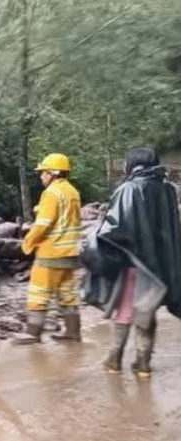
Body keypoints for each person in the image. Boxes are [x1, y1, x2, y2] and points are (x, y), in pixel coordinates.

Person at [82, 147, 181, 378]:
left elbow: (115, 229)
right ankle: (143, 364)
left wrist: (94, 248)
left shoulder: (128, 189)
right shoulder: (168, 189)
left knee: (126, 310)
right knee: (147, 310)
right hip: (160, 264)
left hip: (133, 263)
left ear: (132, 165)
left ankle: (115, 360)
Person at [14, 153, 83, 344]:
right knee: (68, 294)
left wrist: (27, 242)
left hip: (51, 252)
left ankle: (32, 333)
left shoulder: (52, 193)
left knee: (38, 292)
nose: (41, 176)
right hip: (70, 253)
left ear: (53, 173)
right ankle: (73, 332)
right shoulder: (73, 192)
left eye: (44, 173)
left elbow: (43, 224)